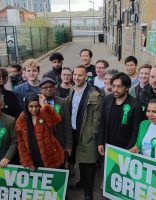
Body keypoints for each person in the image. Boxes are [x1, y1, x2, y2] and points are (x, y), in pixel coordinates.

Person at [66, 65, 102, 200]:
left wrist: (92, 134)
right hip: (74, 131)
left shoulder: (94, 94)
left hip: (87, 133)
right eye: (75, 75)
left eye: (80, 75)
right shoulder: (71, 90)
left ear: (86, 76)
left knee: (89, 162)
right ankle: (82, 182)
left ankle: (88, 191)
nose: (76, 77)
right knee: (79, 160)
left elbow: (97, 118)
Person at [98, 72, 145, 156]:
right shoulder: (108, 99)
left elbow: (136, 131)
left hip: (124, 150)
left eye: (119, 86)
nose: (115, 89)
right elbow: (102, 122)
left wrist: (127, 151)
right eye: (113, 86)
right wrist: (100, 142)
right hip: (107, 147)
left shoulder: (135, 106)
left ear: (127, 87)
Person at [16, 94, 64, 169]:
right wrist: (27, 161)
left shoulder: (43, 113)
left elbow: (56, 120)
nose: (34, 109)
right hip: (33, 156)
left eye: (37, 106)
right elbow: (21, 143)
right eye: (31, 106)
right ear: (26, 106)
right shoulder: (21, 120)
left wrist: (44, 105)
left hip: (50, 155)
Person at [39, 77, 72, 157]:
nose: (48, 89)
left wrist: (68, 146)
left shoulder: (62, 102)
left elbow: (67, 126)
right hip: (43, 145)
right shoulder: (35, 104)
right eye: (45, 87)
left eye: (51, 87)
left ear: (54, 89)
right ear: (40, 90)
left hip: (59, 143)